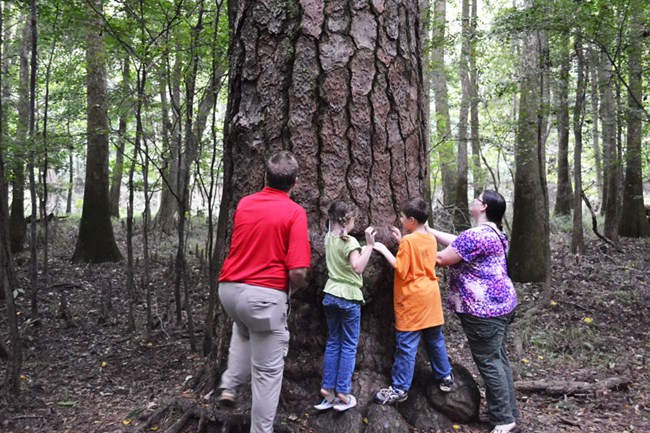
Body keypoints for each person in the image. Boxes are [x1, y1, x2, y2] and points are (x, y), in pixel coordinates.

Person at [215, 151, 311, 433]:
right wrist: (292, 290)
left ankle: (230, 384)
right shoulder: (294, 212)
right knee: (267, 374)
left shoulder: (245, 204)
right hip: (264, 297)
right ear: (295, 182)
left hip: (230, 291)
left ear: (265, 177)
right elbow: (297, 271)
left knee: (243, 329)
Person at [429, 190, 518, 433]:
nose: (473, 201)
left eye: (477, 199)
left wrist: (411, 244)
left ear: (484, 207)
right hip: (502, 306)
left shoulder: (475, 236)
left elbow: (442, 258)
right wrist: (429, 231)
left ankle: (503, 420)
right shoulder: (496, 233)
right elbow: (459, 241)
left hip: (483, 312)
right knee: (498, 360)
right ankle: (509, 412)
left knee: (490, 362)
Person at [371, 197, 454, 404]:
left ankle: (400, 388)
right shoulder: (430, 238)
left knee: (407, 345)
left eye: (402, 217)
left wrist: (381, 249)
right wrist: (401, 241)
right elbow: (420, 256)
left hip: (412, 299)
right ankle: (445, 375)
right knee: (435, 339)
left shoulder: (409, 241)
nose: (399, 220)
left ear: (411, 220)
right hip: (431, 296)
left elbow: (401, 267)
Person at [314, 200, 376, 412]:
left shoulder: (328, 239)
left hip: (330, 295)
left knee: (333, 342)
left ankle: (327, 389)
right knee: (348, 345)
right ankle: (342, 391)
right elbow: (357, 267)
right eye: (353, 220)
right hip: (349, 297)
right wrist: (369, 245)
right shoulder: (350, 242)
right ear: (347, 221)